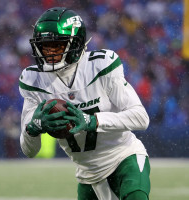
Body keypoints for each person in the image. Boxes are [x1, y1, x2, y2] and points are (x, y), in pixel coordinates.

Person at [19, 7, 150, 200]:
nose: (49, 53)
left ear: (76, 43)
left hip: (124, 158)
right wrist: (33, 128)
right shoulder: (33, 80)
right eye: (45, 47)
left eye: (57, 46)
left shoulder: (101, 65)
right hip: (87, 176)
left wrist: (93, 121)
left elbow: (141, 118)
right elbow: (29, 151)